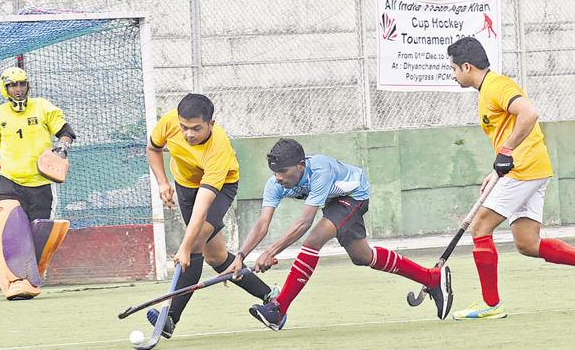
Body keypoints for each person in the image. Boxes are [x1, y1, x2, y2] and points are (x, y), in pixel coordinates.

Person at [224, 138, 453, 330]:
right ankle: (431, 278)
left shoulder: (320, 171)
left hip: (354, 194)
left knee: (313, 240)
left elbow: (305, 222)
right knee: (362, 256)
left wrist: (271, 252)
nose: (279, 177)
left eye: (283, 171)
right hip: (334, 202)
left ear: (301, 166)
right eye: (275, 172)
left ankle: (278, 309)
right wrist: (240, 257)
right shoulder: (275, 184)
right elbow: (263, 222)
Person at [447, 37, 575, 320]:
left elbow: (529, 113)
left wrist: (507, 152)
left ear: (467, 67)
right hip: (529, 167)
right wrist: (496, 169)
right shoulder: (487, 91)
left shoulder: (497, 86)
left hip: (523, 168)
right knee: (527, 243)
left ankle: (491, 305)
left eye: (454, 69)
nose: (453, 75)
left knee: (480, 226)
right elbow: (508, 132)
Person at [145, 93, 280, 338]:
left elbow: (203, 204)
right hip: (185, 185)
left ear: (211, 124)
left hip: (220, 188)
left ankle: (170, 318)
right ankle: (272, 299)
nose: (188, 134)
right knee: (217, 257)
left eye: (196, 128)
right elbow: (153, 149)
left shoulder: (218, 147)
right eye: (184, 128)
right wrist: (163, 182)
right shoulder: (169, 122)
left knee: (195, 245)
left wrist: (185, 246)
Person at [0, 66, 75, 300]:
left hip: (41, 183)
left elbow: (65, 131)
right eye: (13, 85)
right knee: (9, 233)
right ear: (5, 88)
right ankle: (13, 281)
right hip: (10, 181)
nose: (18, 89)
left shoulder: (43, 107)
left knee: (37, 233)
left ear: (28, 86)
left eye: (22, 84)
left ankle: (30, 278)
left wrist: (62, 147)